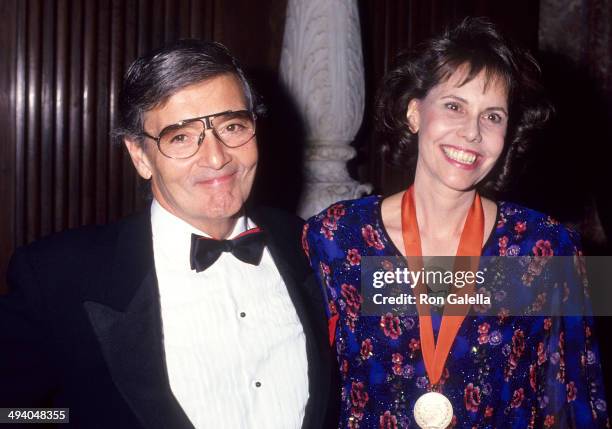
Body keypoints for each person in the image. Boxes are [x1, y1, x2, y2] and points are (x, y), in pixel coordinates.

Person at [0, 40, 337, 429]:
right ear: (141, 156)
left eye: (233, 127)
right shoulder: (58, 277)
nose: (216, 157)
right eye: (181, 137)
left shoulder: (316, 244)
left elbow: (412, 301)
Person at [303, 18, 609, 428]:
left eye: (493, 116)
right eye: (454, 106)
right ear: (414, 112)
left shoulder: (548, 247)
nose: (472, 132)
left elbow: (578, 399)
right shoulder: (336, 238)